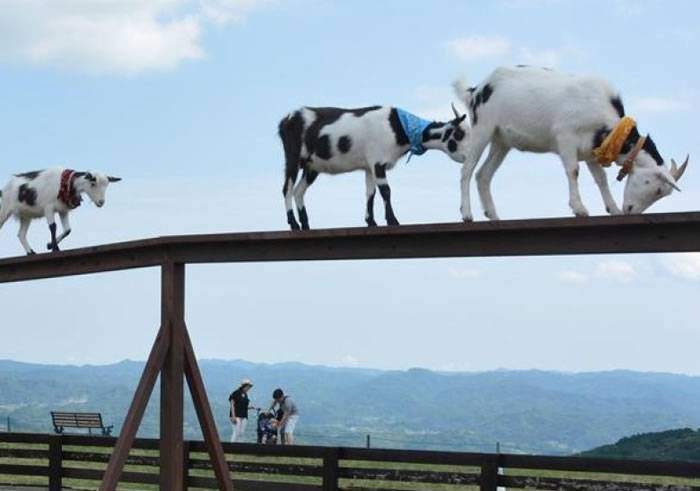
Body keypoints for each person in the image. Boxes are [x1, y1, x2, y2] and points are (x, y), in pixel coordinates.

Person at [229, 378, 253, 443]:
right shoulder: (235, 393)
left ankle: (239, 447)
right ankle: (232, 447)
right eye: (248, 386)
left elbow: (242, 406)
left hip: (244, 416)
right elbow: (232, 405)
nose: (249, 388)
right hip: (236, 416)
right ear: (244, 386)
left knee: (241, 433)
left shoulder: (245, 395)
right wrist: (233, 416)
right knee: (236, 432)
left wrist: (250, 407)